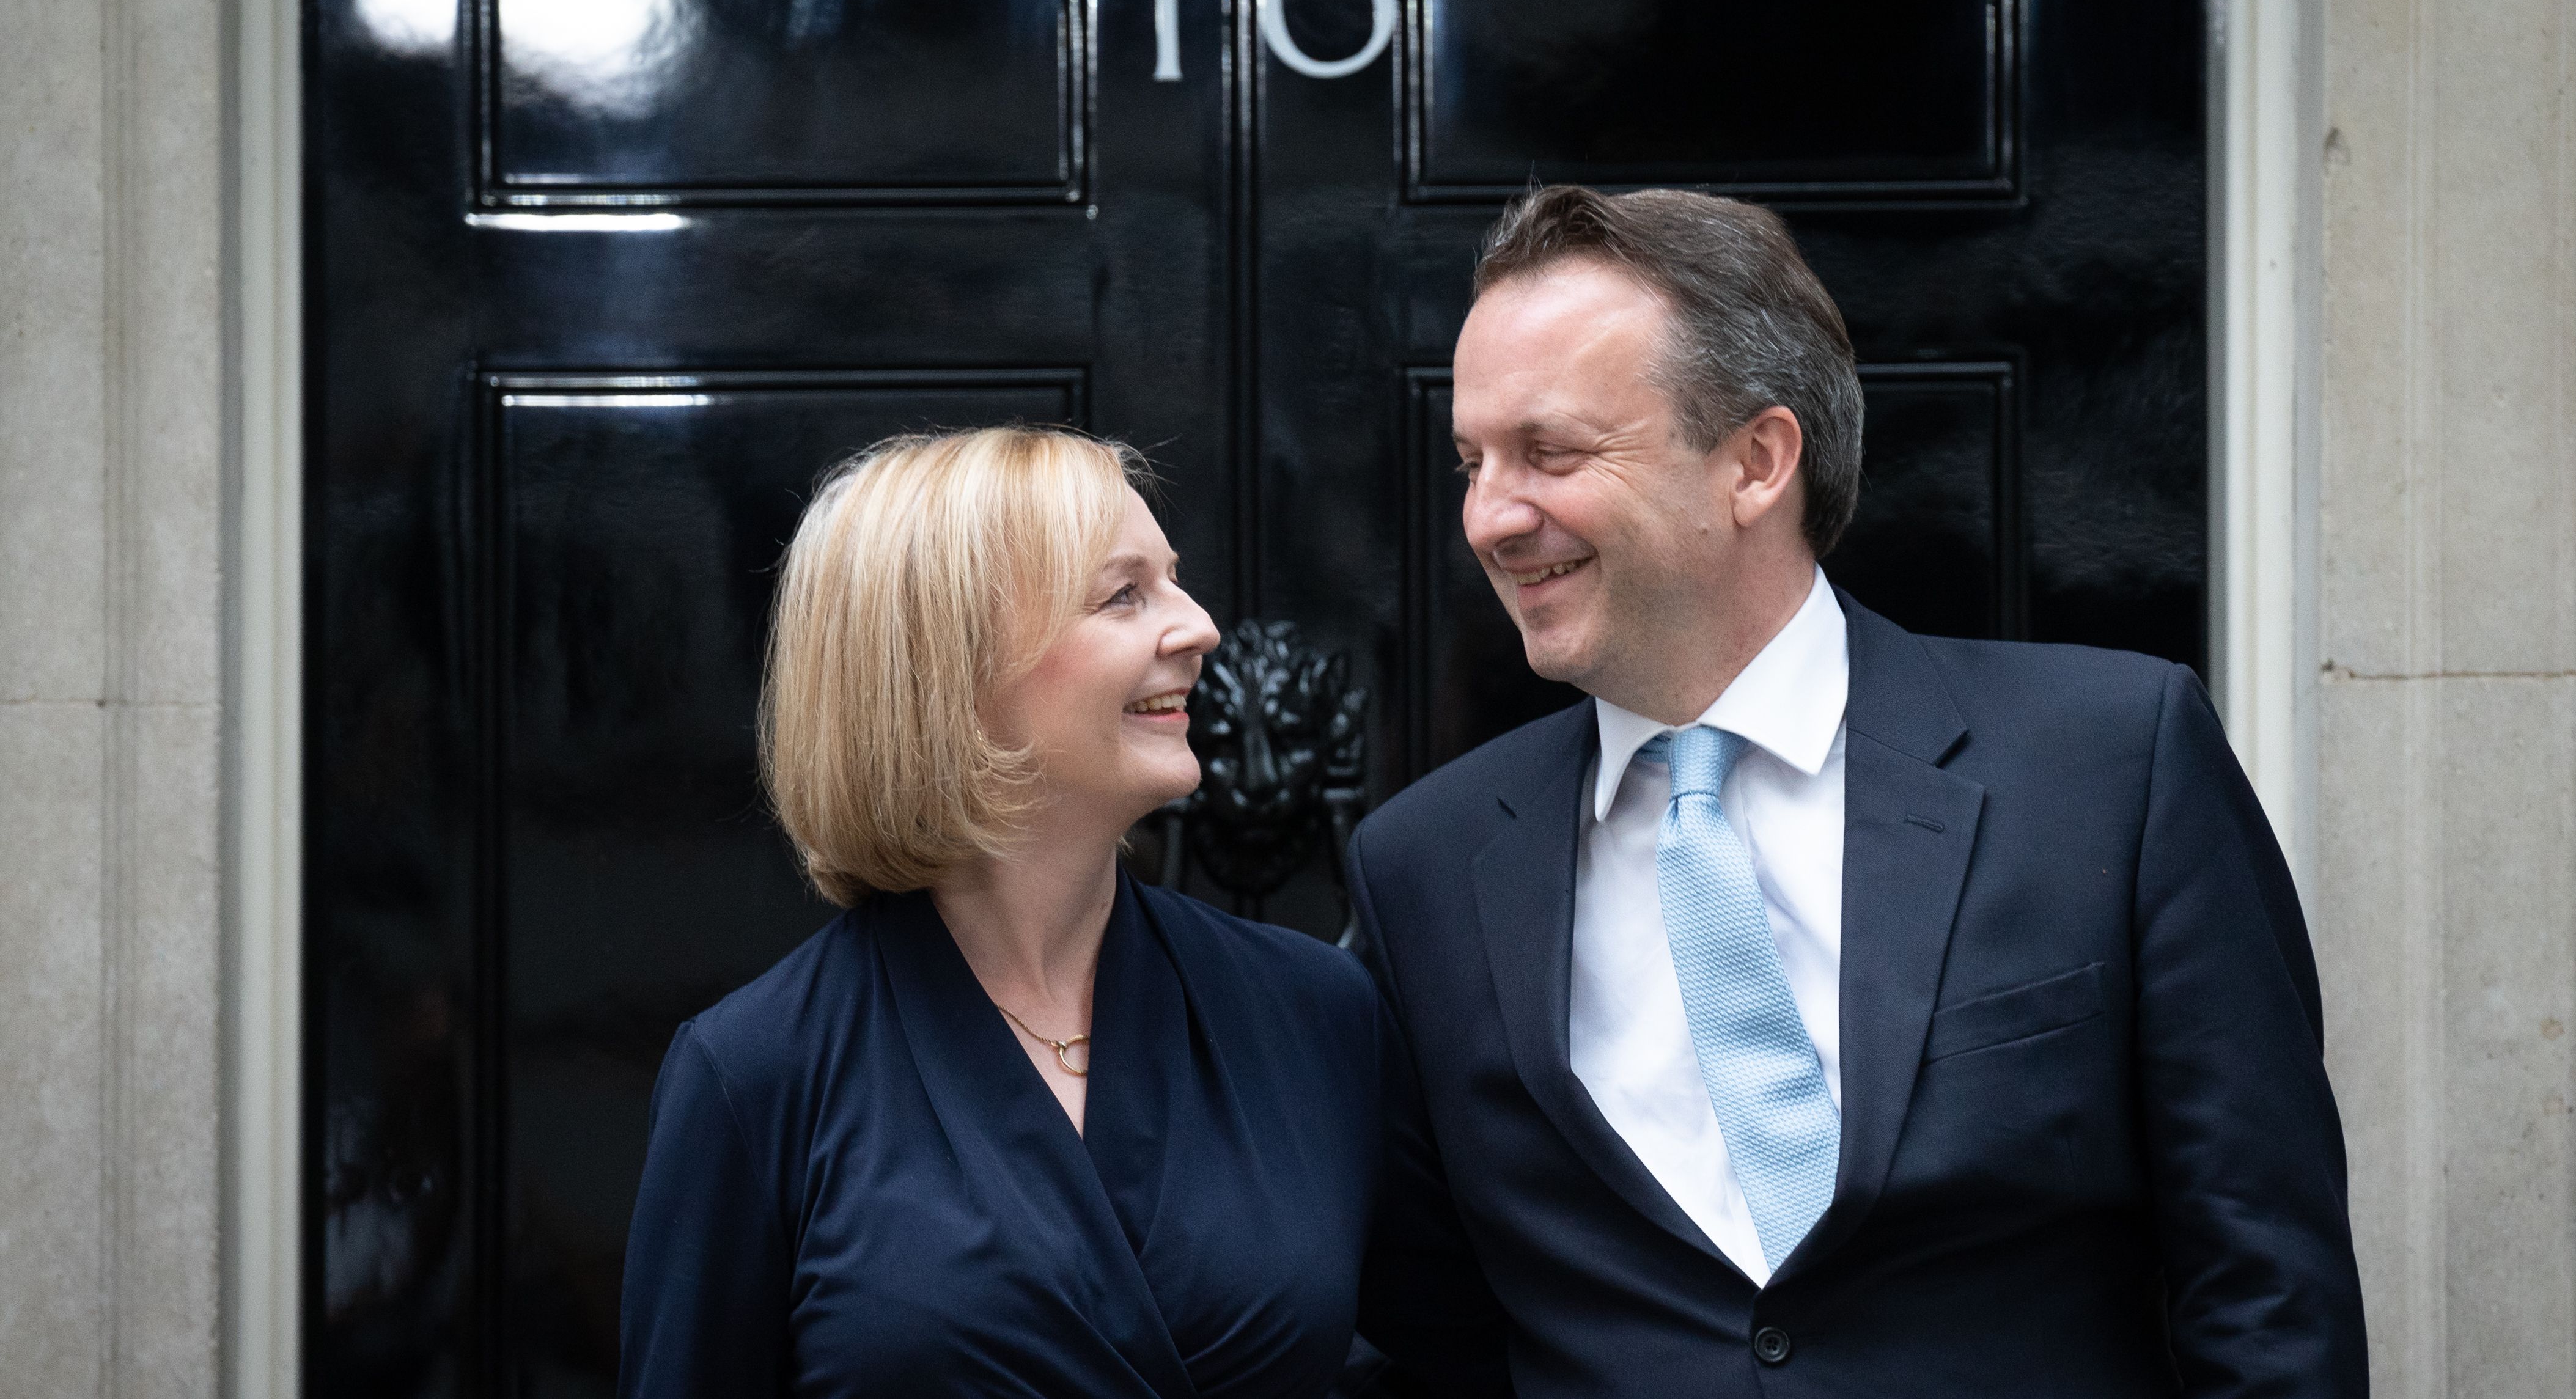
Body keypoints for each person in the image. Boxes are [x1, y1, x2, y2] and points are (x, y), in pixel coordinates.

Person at [1347, 186, 2367, 1395]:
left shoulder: (2112, 767)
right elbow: (1423, 1341)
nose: (1488, 516)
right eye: (1472, 461)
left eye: (1550, 453)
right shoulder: (1424, 869)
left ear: (1756, 461)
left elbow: (2265, 1300)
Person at [619, 427, 1400, 1398]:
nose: (1199, 626)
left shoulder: (1313, 1010)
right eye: (1124, 594)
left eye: (1173, 579)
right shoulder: (756, 1075)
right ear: (952, 673)